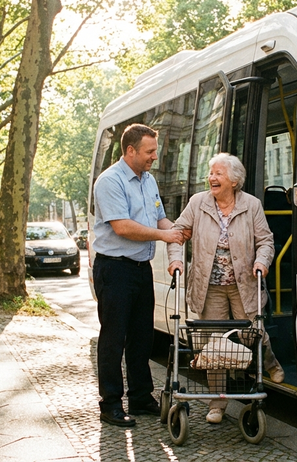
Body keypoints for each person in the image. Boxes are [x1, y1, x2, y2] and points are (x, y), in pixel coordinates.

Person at [167, 153, 285, 425]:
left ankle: (270, 363)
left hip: (243, 282)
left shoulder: (251, 205)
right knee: (215, 345)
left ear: (234, 180)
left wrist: (262, 261)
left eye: (218, 173)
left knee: (252, 332)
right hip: (210, 287)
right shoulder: (198, 203)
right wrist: (175, 259)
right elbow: (177, 233)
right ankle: (217, 404)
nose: (212, 178)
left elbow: (266, 241)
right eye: (211, 173)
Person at [92, 123, 185, 428]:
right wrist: (165, 236)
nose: (155, 157)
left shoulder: (148, 180)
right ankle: (110, 404)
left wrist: (180, 229)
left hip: (140, 269)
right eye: (150, 151)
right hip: (114, 270)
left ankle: (141, 397)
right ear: (130, 150)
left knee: (143, 337)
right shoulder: (110, 181)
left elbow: (159, 219)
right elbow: (122, 226)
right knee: (113, 339)